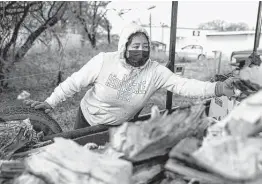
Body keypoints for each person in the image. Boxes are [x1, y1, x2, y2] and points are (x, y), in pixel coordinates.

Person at [25, 23, 239, 129]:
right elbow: (74, 82)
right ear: (124, 46)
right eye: (135, 45)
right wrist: (50, 102)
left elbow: (184, 85)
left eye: (145, 46)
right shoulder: (104, 61)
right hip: (88, 119)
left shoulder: (155, 71)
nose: (141, 50)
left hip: (120, 127)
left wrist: (218, 89)